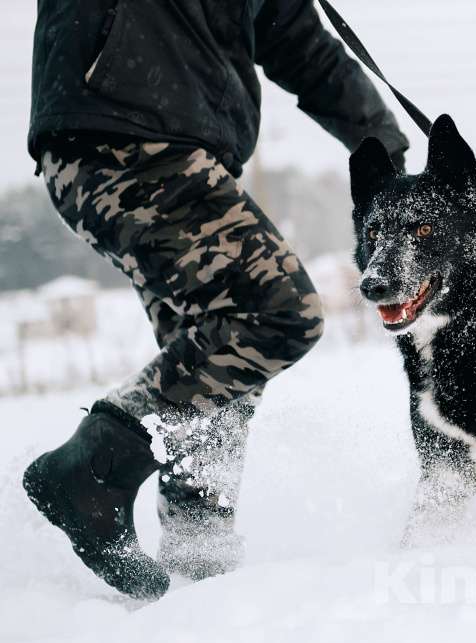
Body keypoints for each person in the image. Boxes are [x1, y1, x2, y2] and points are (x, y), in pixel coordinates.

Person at [21, 0, 409, 600]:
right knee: (277, 313)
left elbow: (300, 43)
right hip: (125, 127)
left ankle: (198, 561)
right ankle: (93, 469)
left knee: (218, 360)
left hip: (164, 139)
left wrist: (384, 142)